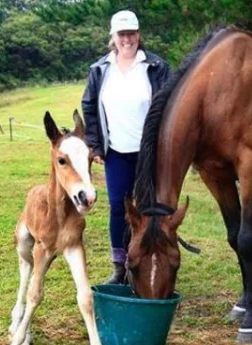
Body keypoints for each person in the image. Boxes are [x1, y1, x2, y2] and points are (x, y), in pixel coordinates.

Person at [82, 10, 171, 284]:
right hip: (116, 153)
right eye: (122, 34)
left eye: (131, 33)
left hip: (150, 154)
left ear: (139, 34)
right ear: (113, 37)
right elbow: (89, 106)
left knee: (149, 209)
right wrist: (95, 145)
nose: (127, 39)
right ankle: (120, 268)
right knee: (119, 210)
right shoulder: (100, 70)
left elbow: (171, 107)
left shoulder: (155, 67)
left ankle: (147, 262)